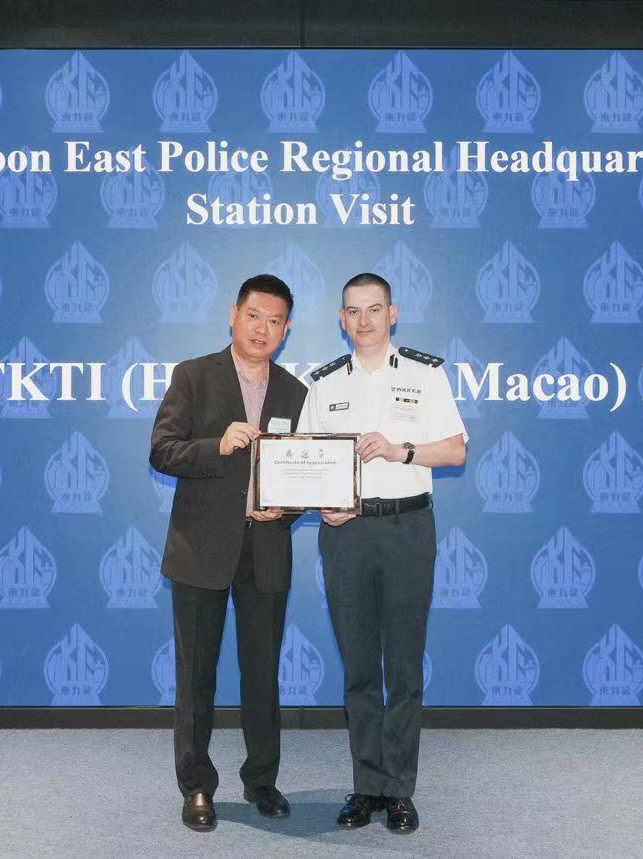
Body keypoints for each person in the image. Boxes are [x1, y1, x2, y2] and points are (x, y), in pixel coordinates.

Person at [297, 272, 467, 834]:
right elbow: (304, 460)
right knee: (360, 667)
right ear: (341, 319)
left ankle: (399, 790)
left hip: (406, 528)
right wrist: (321, 504)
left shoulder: (426, 374)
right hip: (346, 534)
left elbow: (456, 450)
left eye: (374, 309)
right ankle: (366, 786)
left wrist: (402, 450)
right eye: (353, 310)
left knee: (405, 666)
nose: (364, 320)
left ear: (392, 314)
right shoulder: (323, 384)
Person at [149, 274, 308, 832]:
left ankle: (262, 780)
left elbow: (308, 472)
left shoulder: (296, 392)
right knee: (197, 676)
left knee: (263, 675)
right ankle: (197, 785)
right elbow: (162, 451)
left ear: (286, 329)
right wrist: (215, 446)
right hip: (201, 550)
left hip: (265, 550)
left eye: (275, 320)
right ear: (233, 315)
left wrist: (285, 509)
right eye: (254, 316)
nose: (262, 329)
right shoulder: (193, 376)